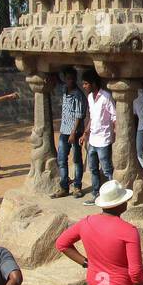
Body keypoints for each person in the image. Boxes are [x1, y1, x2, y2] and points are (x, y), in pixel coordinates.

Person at [80, 70, 116, 204]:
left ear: (93, 83)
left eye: (85, 83)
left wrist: (116, 133)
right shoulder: (90, 97)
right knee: (93, 168)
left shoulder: (106, 96)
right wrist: (85, 133)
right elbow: (92, 118)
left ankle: (113, 195)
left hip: (104, 139)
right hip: (93, 139)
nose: (84, 86)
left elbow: (114, 117)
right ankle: (96, 194)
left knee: (107, 169)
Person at [51, 67, 87, 199]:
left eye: (72, 78)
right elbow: (58, 81)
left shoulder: (78, 95)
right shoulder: (64, 90)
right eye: (67, 78)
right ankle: (64, 186)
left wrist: (73, 133)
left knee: (77, 160)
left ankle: (77, 186)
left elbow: (79, 115)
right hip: (64, 130)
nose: (70, 81)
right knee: (62, 159)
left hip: (74, 131)